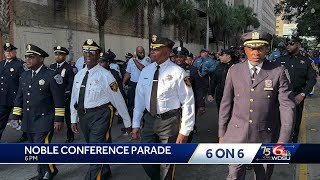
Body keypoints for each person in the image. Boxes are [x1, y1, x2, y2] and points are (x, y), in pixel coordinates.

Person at [219, 31, 296, 180]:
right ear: (245, 49)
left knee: (263, 176)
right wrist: (222, 133)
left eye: (260, 48)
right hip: (237, 135)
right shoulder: (234, 70)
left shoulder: (277, 71)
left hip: (265, 136)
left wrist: (283, 140)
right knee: (234, 175)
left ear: (267, 49)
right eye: (251, 48)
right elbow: (226, 103)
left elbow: (287, 107)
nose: (256, 53)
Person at [131, 38, 195, 180]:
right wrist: (135, 124)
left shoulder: (178, 73)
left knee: (167, 162)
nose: (152, 52)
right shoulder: (146, 71)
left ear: (167, 51)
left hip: (169, 121)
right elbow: (140, 99)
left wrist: (185, 130)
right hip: (149, 121)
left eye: (156, 49)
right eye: (152, 48)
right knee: (145, 157)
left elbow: (188, 102)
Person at [70, 39, 131, 180]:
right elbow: (75, 98)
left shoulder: (106, 75)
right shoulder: (79, 75)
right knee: (97, 145)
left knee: (95, 149)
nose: (88, 55)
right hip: (84, 116)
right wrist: (74, 118)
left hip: (101, 115)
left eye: (92, 52)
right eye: (85, 51)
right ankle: (104, 171)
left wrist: (127, 122)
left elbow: (118, 99)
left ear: (98, 55)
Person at [9, 44, 65, 180]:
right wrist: (15, 116)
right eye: (26, 57)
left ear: (40, 59)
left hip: (45, 119)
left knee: (41, 146)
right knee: (34, 148)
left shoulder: (51, 75)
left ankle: (49, 172)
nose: (28, 60)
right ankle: (42, 172)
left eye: (31, 57)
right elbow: (19, 98)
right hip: (29, 119)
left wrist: (58, 119)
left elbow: (59, 99)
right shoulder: (24, 75)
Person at [278, 37, 317, 143]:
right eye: (287, 44)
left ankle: (292, 147)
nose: (288, 46)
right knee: (279, 123)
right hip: (280, 97)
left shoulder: (306, 62)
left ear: (298, 45)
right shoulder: (280, 60)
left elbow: (312, 80)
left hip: (297, 96)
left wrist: (303, 94)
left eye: (291, 43)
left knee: (295, 124)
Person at [172, 46, 205, 142]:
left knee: (187, 129)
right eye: (176, 57)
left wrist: (201, 105)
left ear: (185, 57)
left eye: (181, 57)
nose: (178, 59)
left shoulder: (192, 70)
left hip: (188, 103)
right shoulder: (169, 69)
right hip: (173, 105)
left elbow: (198, 88)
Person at [0, 43, 28, 142]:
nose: (8, 53)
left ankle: (26, 134)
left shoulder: (20, 64)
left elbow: (24, 82)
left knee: (23, 117)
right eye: (6, 51)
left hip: (17, 98)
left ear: (14, 52)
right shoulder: (1, 64)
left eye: (10, 51)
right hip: (3, 98)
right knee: (1, 120)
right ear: (4, 52)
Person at [50, 46, 75, 143]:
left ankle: (70, 135)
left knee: (67, 117)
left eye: (60, 54)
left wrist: (66, 93)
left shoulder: (69, 68)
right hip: (54, 97)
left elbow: (70, 82)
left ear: (65, 56)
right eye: (56, 54)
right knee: (53, 115)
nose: (58, 56)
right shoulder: (52, 67)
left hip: (65, 97)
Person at [122, 46, 151, 119]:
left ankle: (144, 123)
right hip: (132, 84)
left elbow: (142, 68)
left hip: (142, 84)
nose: (142, 54)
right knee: (131, 103)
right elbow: (128, 73)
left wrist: (135, 60)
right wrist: (124, 82)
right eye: (140, 53)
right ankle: (131, 123)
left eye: (143, 52)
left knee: (143, 104)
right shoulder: (131, 61)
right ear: (136, 53)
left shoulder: (147, 59)